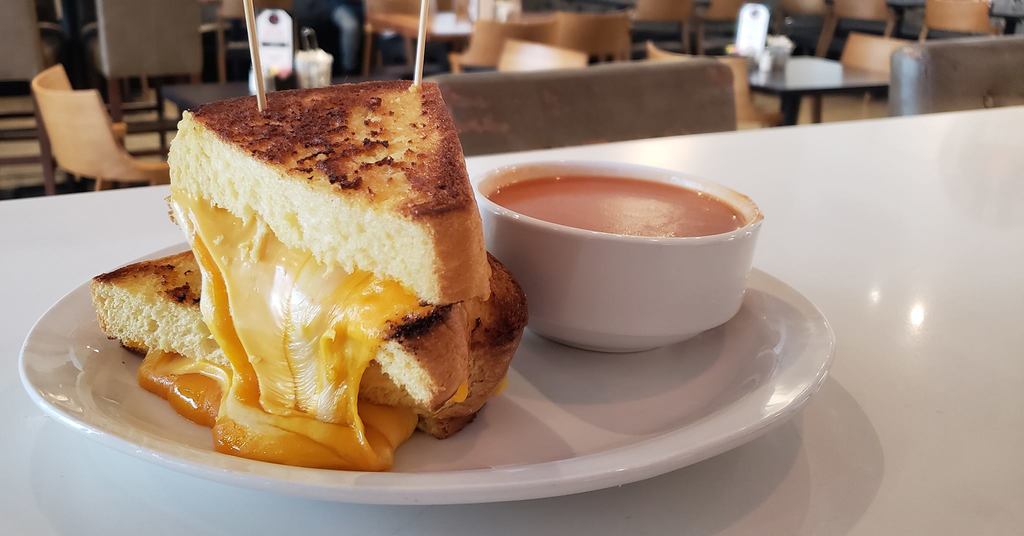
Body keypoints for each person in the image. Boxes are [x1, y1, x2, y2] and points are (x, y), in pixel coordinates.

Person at [295, 0, 364, 73]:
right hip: (335, 5)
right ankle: (348, 70)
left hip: (358, 6)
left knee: (352, 26)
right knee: (350, 26)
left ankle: (351, 70)